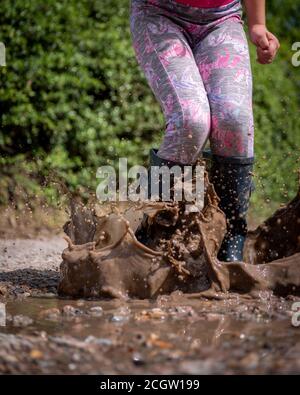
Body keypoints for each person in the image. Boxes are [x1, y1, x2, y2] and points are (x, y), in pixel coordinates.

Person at [129, 0, 280, 262]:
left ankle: (230, 233)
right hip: (159, 13)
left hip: (221, 19)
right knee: (191, 121)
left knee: (235, 121)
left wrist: (258, 24)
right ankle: (159, 228)